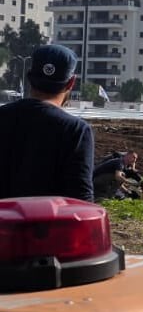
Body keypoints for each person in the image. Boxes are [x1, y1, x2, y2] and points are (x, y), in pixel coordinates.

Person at [0, 44, 94, 201]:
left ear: (29, 78)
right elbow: (81, 200)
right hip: (49, 225)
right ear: (71, 83)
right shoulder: (76, 130)